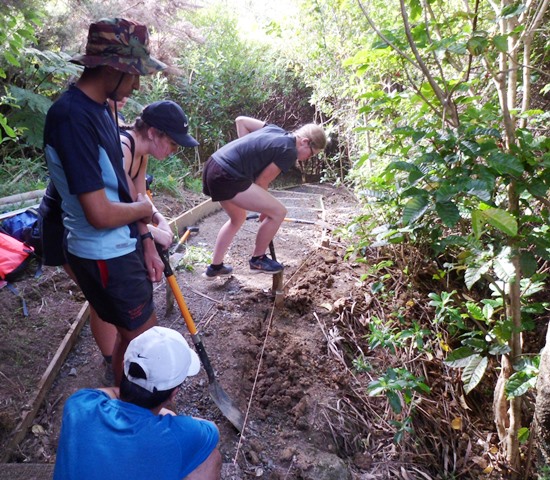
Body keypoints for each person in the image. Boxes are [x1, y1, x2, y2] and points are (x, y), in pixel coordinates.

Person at [43, 17, 167, 386]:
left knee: (131, 341)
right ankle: (145, 414)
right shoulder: (71, 118)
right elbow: (98, 213)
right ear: (112, 68)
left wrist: (145, 238)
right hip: (103, 254)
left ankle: (126, 406)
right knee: (149, 349)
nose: (137, 84)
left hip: (120, 246)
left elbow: (122, 183)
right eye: (134, 74)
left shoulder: (102, 109)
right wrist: (144, 210)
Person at [53, 326, 222, 480]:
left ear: (123, 366)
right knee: (210, 457)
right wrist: (168, 414)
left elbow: (108, 393)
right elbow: (212, 430)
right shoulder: (179, 434)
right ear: (173, 394)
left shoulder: (79, 404)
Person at [202, 116, 327, 279]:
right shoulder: (289, 151)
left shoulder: (275, 130)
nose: (308, 158)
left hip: (214, 166)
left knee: (238, 218)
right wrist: (265, 210)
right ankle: (258, 259)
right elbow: (262, 181)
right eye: (311, 154)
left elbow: (241, 121)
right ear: (304, 142)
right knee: (278, 212)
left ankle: (215, 267)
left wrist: (247, 157)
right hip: (227, 175)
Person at [120, 100, 199, 249]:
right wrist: (152, 232)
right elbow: (116, 209)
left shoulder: (141, 153)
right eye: (173, 143)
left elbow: (140, 197)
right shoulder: (123, 149)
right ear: (152, 133)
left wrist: (159, 219)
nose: (174, 150)